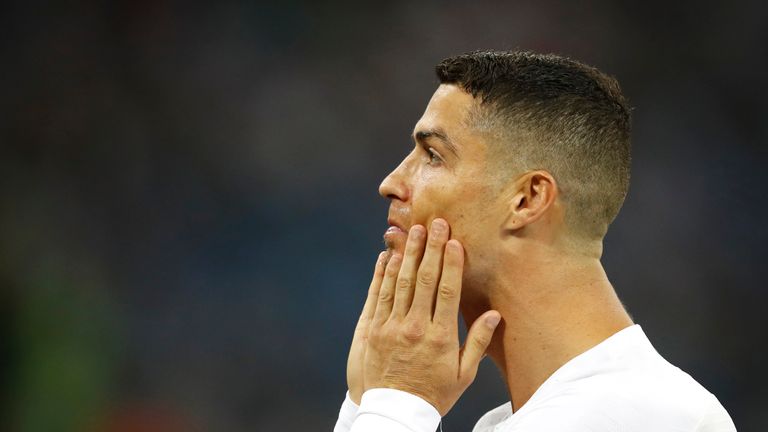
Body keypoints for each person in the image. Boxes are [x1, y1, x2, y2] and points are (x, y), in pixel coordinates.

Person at [333, 50, 736, 432]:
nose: (391, 183)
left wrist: (397, 404)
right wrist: (367, 402)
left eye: (433, 156)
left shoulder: (637, 414)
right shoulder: (552, 414)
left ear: (528, 199)